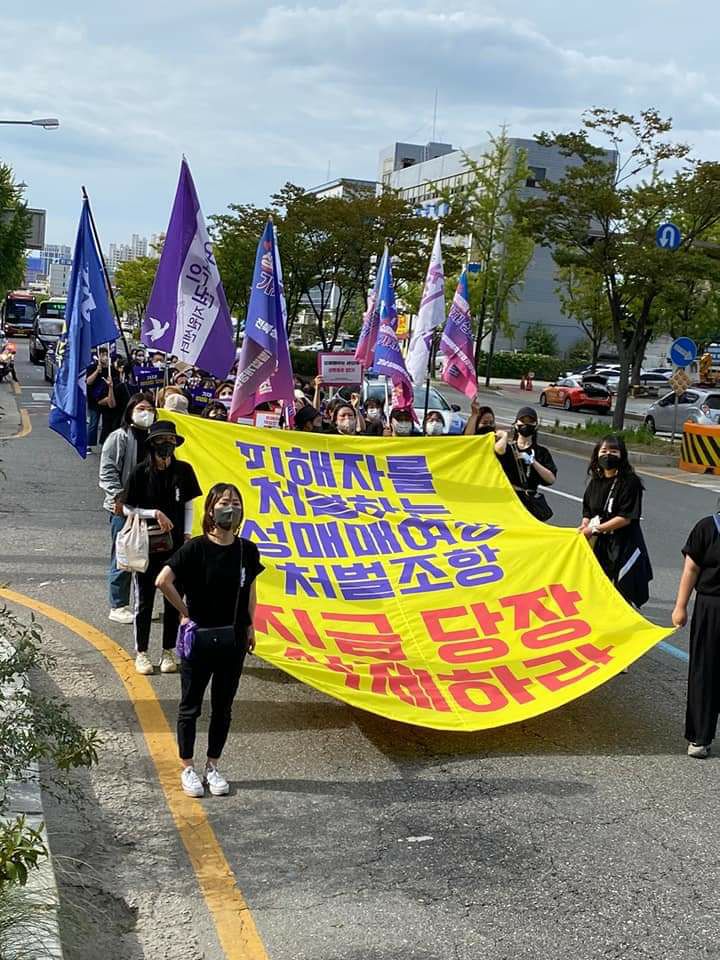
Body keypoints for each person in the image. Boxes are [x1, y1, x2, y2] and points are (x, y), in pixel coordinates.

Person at [156, 483, 263, 797]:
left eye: (235, 503)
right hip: (199, 639)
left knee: (223, 706)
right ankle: (188, 767)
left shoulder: (247, 549)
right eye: (224, 502)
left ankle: (213, 766)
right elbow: (163, 580)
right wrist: (185, 611)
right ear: (210, 510)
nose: (230, 508)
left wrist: (250, 626)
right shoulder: (196, 547)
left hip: (233, 639)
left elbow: (250, 592)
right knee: (191, 705)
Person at [123, 421, 202, 675]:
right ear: (152, 444)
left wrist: (188, 535)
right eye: (161, 440)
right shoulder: (140, 473)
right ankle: (142, 652)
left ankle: (168, 651)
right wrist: (153, 513)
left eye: (170, 439)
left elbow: (189, 504)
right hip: (147, 545)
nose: (166, 444)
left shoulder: (184, 471)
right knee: (144, 601)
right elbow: (126, 507)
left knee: (173, 599)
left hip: (176, 547)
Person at [99, 393, 157, 623]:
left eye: (151, 409)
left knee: (147, 558)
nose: (146, 413)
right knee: (123, 556)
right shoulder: (119, 437)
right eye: (141, 408)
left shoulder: (155, 438)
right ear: (131, 410)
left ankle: (143, 604)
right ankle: (119, 604)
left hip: (150, 509)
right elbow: (108, 472)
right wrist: (117, 500)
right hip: (124, 509)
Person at [579, 435, 653, 608]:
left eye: (614, 451)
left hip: (624, 545)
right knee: (598, 589)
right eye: (604, 451)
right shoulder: (596, 482)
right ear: (597, 454)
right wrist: (585, 524)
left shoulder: (630, 482)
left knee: (621, 593)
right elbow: (588, 510)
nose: (608, 455)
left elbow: (626, 517)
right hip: (602, 544)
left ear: (622, 455)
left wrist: (594, 529)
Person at [673, 509, 720, 758]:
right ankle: (700, 737)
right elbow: (691, 569)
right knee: (705, 670)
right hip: (710, 606)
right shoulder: (708, 527)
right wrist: (681, 606)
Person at [496, 406, 557, 521]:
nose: (526, 425)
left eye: (530, 422)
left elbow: (551, 479)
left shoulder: (541, 452)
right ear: (516, 424)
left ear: (536, 426)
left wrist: (533, 462)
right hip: (510, 499)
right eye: (523, 422)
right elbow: (499, 450)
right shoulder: (509, 448)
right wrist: (504, 436)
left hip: (530, 501)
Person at [99, 357, 133, 445]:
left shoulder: (134, 385)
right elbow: (110, 404)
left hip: (128, 421)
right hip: (113, 420)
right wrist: (110, 388)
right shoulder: (112, 382)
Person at [86, 347, 111, 451]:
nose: (105, 357)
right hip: (94, 400)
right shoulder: (92, 367)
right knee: (93, 423)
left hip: (106, 400)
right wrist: (97, 371)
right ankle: (89, 444)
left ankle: (105, 444)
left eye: (106, 355)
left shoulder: (110, 369)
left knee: (107, 423)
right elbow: (88, 381)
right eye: (103, 355)